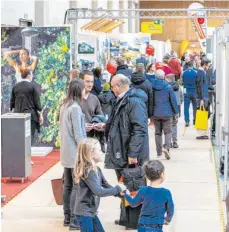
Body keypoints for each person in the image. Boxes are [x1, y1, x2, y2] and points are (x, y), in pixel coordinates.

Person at [105, 74, 149, 229]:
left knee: (134, 186)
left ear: (118, 85)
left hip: (130, 154)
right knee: (125, 185)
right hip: (121, 152)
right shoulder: (122, 100)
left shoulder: (134, 101)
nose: (111, 89)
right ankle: (126, 218)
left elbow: (139, 129)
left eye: (112, 86)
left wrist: (133, 153)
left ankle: (135, 220)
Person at [73, 138, 126, 232]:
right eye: (99, 149)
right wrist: (118, 188)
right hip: (84, 212)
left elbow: (105, 185)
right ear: (91, 153)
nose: (102, 152)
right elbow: (99, 192)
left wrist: (118, 193)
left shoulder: (96, 169)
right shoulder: (89, 171)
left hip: (91, 211)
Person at [59, 79, 87, 230]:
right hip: (75, 153)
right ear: (79, 90)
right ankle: (75, 220)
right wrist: (87, 152)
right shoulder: (75, 108)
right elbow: (79, 135)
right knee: (77, 187)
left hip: (66, 152)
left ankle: (67, 217)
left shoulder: (65, 105)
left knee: (68, 185)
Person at [124, 160, 174, 232]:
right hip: (156, 226)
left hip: (142, 225)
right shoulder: (166, 193)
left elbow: (133, 203)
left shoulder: (143, 190)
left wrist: (126, 194)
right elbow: (170, 209)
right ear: (162, 174)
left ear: (146, 176)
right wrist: (168, 219)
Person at [10, 69, 43, 146]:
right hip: (31, 116)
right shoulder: (32, 87)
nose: (32, 76)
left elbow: (12, 103)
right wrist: (40, 115)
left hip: (18, 116)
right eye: (32, 75)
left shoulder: (15, 86)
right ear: (28, 75)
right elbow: (37, 103)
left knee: (19, 137)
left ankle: (19, 156)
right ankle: (27, 157)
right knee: (29, 136)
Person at [151, 70, 179, 159]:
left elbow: (150, 100)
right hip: (167, 113)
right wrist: (176, 112)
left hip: (155, 113)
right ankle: (167, 148)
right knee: (168, 131)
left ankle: (159, 153)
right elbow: (173, 100)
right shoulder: (168, 87)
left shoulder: (152, 86)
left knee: (157, 133)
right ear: (164, 77)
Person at [165, 73, 183, 148]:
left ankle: (168, 143)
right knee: (174, 125)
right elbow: (181, 99)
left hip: (167, 109)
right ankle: (175, 141)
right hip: (176, 109)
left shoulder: (166, 87)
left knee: (167, 126)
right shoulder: (178, 88)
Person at [196, 59, 210, 139]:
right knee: (202, 114)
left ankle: (203, 132)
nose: (208, 67)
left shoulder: (202, 72)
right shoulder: (200, 73)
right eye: (207, 65)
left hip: (204, 96)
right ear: (204, 65)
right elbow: (200, 86)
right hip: (202, 97)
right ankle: (200, 133)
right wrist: (201, 99)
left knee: (204, 114)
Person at [181, 60, 198, 127]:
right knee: (195, 106)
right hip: (194, 91)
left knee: (186, 107)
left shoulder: (184, 73)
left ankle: (187, 121)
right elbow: (197, 82)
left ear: (187, 65)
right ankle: (195, 120)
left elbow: (181, 83)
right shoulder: (196, 73)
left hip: (186, 91)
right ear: (193, 65)